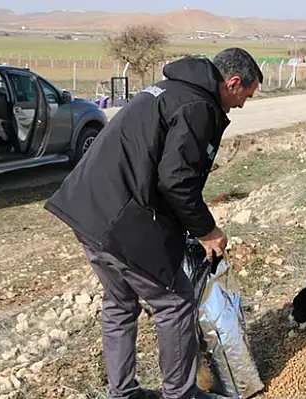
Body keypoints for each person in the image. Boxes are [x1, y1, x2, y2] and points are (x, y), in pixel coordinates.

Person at [43, 48, 263, 399]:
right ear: (233, 82)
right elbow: (176, 181)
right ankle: (181, 393)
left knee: (120, 302)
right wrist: (207, 230)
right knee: (175, 303)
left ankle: (123, 393)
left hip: (87, 210)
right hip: (120, 217)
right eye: (245, 96)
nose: (242, 105)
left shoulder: (171, 88)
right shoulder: (198, 106)